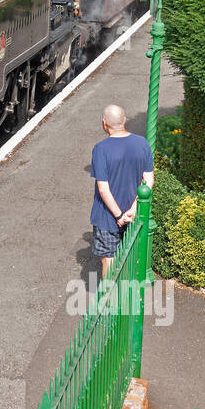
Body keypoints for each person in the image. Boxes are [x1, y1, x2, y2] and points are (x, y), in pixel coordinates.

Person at [89, 104, 153, 279]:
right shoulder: (142, 143)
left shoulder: (101, 149)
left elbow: (103, 188)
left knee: (109, 259)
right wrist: (132, 210)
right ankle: (127, 294)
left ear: (104, 123)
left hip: (107, 217)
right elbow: (149, 180)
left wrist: (118, 215)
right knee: (130, 257)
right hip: (134, 215)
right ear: (124, 120)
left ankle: (110, 301)